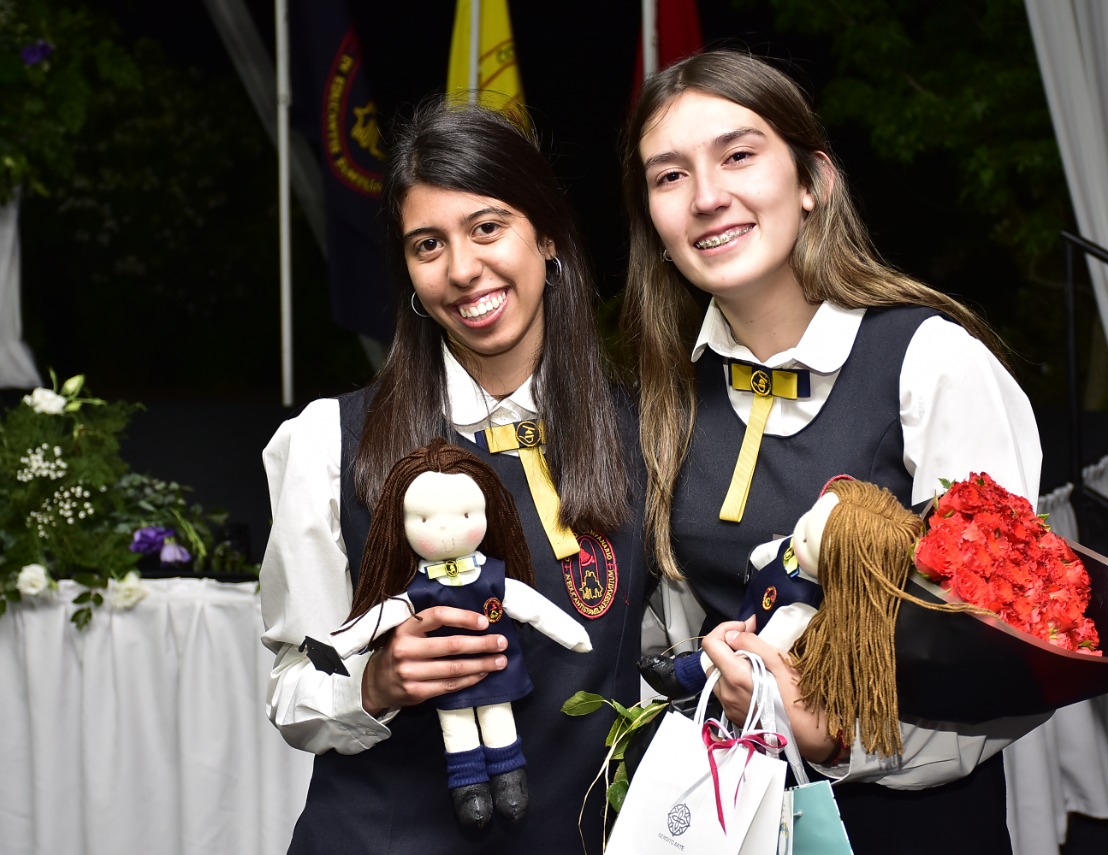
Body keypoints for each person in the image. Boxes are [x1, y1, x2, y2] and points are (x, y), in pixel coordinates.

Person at [620, 50, 1044, 854]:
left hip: (908, 827)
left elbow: (1011, 661)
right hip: (720, 818)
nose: (708, 197)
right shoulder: (662, 397)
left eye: (739, 154)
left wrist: (836, 736)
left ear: (814, 180)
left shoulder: (932, 363)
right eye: (669, 176)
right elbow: (661, 631)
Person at [260, 97, 650, 855]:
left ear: (546, 235)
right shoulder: (330, 440)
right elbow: (291, 688)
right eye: (427, 244)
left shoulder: (645, 434)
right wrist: (373, 684)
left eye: (488, 227)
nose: (464, 270)